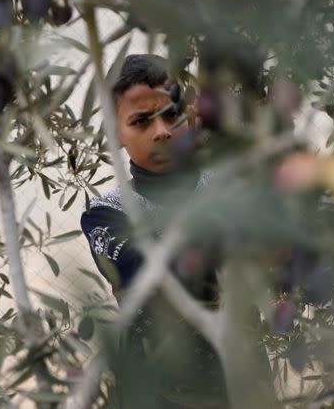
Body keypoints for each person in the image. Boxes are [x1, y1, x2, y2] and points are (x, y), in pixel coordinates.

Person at [80, 54, 227, 408]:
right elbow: (151, 276)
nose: (161, 131)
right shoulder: (105, 215)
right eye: (142, 121)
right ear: (116, 135)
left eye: (171, 114)